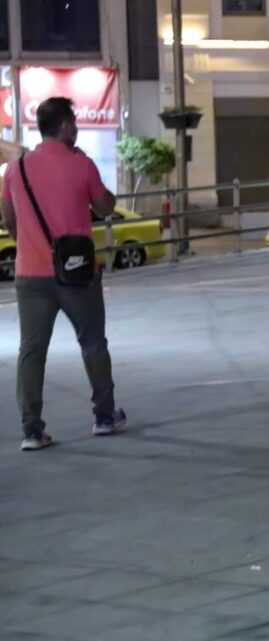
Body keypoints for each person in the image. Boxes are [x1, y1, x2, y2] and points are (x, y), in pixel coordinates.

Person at [0, 97, 126, 451]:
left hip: (30, 275)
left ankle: (31, 431)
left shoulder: (15, 169)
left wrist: (29, 244)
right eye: (74, 123)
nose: (77, 129)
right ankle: (104, 417)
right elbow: (105, 206)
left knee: (31, 351)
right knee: (93, 343)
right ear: (66, 126)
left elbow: (8, 218)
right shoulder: (81, 164)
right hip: (77, 273)